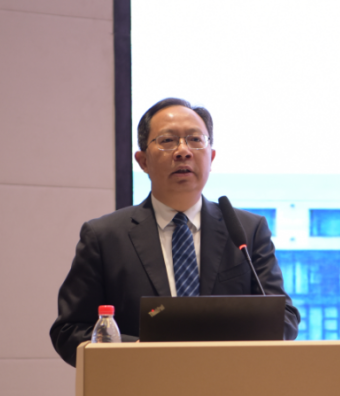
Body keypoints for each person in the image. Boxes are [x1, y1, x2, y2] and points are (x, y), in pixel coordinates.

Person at [49, 97, 300, 366]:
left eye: (195, 140)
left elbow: (284, 317)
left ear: (211, 157)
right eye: (167, 141)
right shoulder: (105, 237)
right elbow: (69, 331)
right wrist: (135, 349)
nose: (183, 151)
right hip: (141, 382)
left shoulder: (246, 231)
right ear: (143, 161)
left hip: (230, 381)